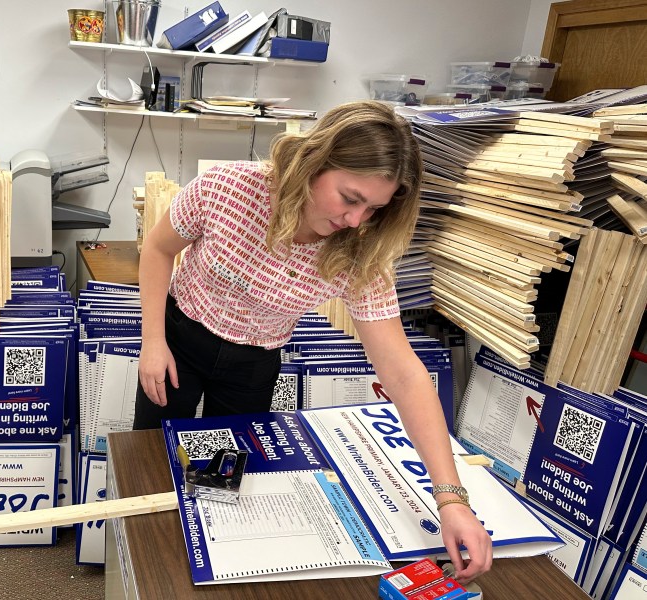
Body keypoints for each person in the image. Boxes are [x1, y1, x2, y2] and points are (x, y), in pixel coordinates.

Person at [134, 100, 492, 584]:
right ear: (314, 162)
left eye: (373, 208)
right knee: (152, 466)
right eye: (349, 197)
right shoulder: (228, 189)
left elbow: (404, 375)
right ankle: (145, 569)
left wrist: (451, 499)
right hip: (178, 338)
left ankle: (190, 582)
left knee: (219, 487)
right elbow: (157, 250)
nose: (356, 220)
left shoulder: (362, 252)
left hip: (253, 365)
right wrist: (151, 341)